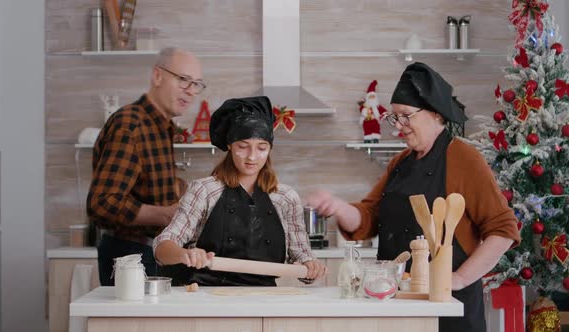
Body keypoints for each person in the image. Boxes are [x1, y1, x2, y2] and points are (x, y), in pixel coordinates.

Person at [307, 62, 520, 332]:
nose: (399, 126)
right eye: (395, 117)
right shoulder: (401, 162)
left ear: (435, 114)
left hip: (446, 307)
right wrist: (338, 207)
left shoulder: (464, 158)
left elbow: (502, 231)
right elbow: (368, 218)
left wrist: (459, 278)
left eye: (406, 116)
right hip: (399, 302)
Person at [154, 96, 326, 286]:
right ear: (229, 145)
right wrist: (185, 254)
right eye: (243, 147)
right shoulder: (204, 190)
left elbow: (301, 256)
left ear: (270, 148)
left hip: (264, 299)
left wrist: (310, 266)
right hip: (207, 295)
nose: (252, 157)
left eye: (262, 148)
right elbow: (162, 246)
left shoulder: (285, 198)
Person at [87, 48, 205, 286]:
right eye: (183, 80)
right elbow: (102, 203)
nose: (191, 91)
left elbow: (147, 184)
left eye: (197, 84)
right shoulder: (131, 125)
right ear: (157, 76)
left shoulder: (159, 126)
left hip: (151, 253)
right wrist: (165, 213)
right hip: (131, 256)